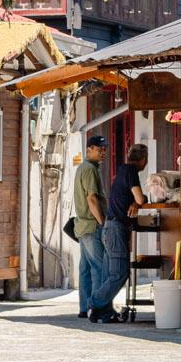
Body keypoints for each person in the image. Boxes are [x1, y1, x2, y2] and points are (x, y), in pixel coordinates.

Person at [89, 142, 148, 322]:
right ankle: (95, 302)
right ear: (143, 160)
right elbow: (140, 198)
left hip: (110, 227)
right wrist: (138, 202)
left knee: (110, 274)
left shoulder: (123, 170)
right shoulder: (130, 171)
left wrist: (136, 202)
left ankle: (104, 313)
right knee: (120, 274)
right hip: (116, 229)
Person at [72, 135, 108, 320]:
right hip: (91, 225)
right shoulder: (89, 169)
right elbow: (92, 199)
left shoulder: (84, 168)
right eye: (99, 148)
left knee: (85, 268)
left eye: (104, 148)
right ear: (89, 149)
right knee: (99, 267)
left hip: (82, 225)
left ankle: (85, 308)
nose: (103, 152)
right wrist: (102, 221)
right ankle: (97, 307)